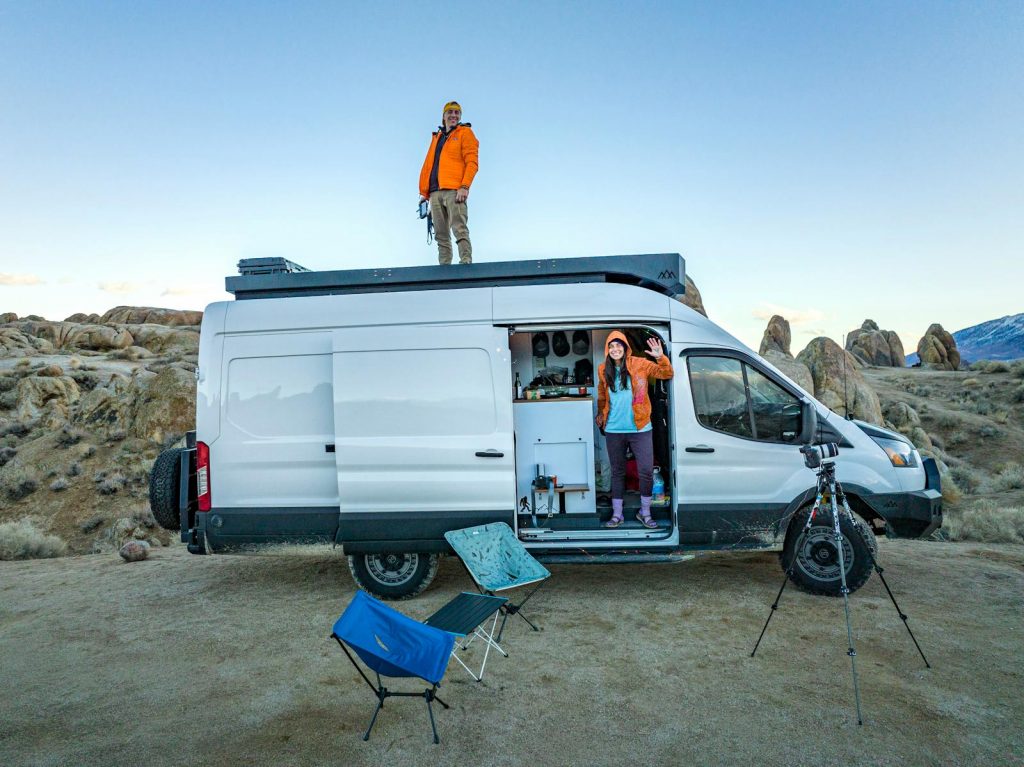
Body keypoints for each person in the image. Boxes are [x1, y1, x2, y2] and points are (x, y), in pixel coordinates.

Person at [595, 331, 673, 529]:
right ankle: (617, 514)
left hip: (641, 427)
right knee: (618, 472)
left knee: (646, 471)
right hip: (613, 429)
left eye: (618, 345)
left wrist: (659, 356)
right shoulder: (603, 369)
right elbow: (603, 396)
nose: (615, 349)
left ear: (625, 347)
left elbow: (666, 373)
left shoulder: (640, 364)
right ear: (607, 349)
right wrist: (600, 414)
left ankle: (645, 512)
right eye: (611, 346)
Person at [418, 100, 479, 265]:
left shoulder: (465, 133)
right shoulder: (437, 137)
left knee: (459, 228)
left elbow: (472, 162)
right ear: (443, 116)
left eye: (457, 113)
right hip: (434, 192)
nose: (453, 115)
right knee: (441, 234)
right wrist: (424, 193)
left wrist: (464, 186)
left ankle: (466, 263)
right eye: (450, 112)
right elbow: (429, 165)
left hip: (454, 190)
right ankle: (445, 269)